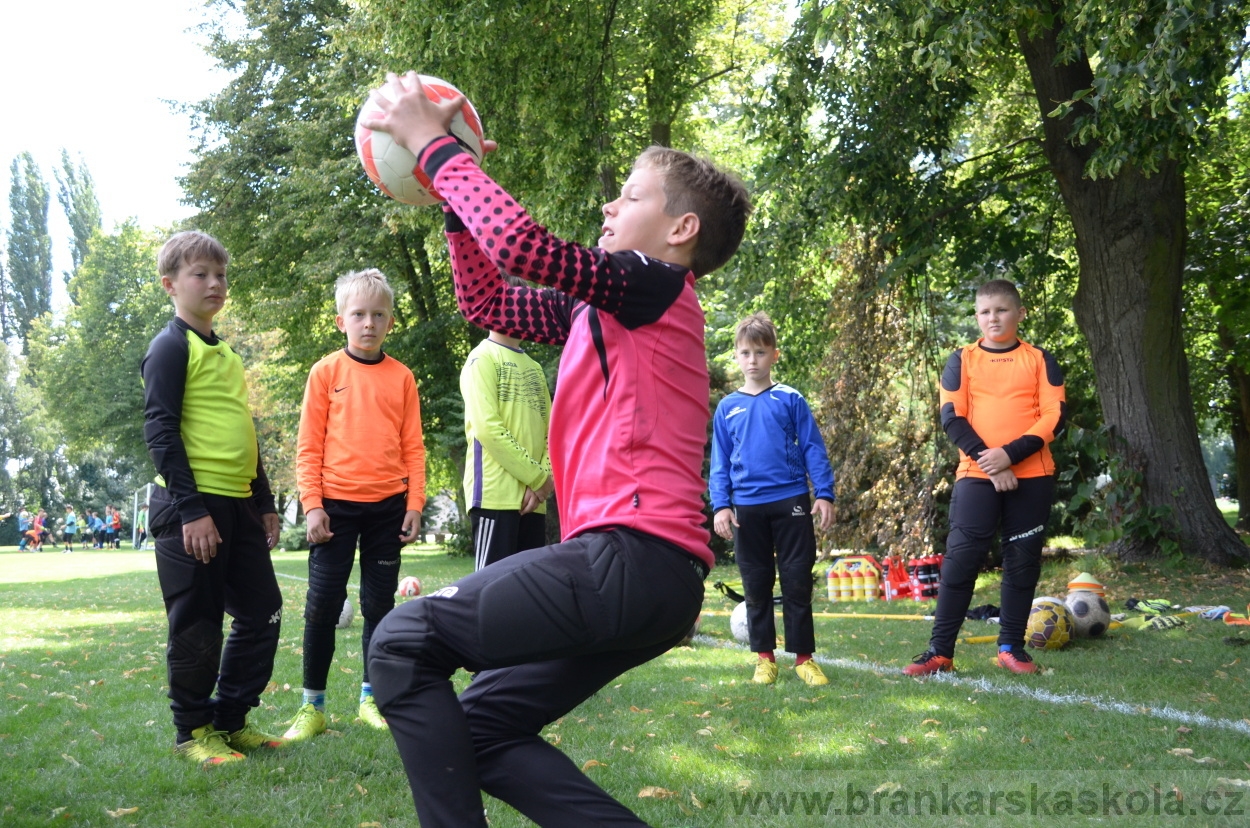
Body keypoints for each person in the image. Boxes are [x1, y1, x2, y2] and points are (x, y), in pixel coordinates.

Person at [361, 71, 751, 828]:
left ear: (680, 230)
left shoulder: (655, 287)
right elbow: (487, 300)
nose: (610, 206)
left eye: (630, 196)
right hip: (648, 577)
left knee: (402, 641)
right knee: (481, 729)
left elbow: (520, 245)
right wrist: (452, 202)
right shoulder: (599, 311)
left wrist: (436, 147)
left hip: (630, 561)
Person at [141, 229, 286, 765]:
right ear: (170, 285)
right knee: (198, 624)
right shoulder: (169, 347)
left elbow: (243, 432)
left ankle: (231, 721)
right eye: (199, 274)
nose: (214, 283)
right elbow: (160, 432)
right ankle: (193, 732)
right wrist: (192, 510)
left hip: (238, 506)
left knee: (263, 612)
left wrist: (264, 502)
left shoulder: (225, 353)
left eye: (220, 274)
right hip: (192, 509)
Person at [282, 268, 426, 742]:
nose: (369, 323)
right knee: (322, 605)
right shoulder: (325, 372)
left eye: (379, 315)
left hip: (388, 509)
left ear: (390, 322)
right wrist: (312, 505)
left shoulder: (402, 378)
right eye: (359, 314)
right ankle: (313, 706)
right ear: (341, 320)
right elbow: (308, 446)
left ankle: (372, 698)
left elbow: (413, 447)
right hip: (334, 511)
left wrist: (414, 502)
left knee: (379, 606)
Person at [903, 279, 1066, 676]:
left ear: (1020, 313)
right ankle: (940, 652)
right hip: (976, 475)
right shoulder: (962, 360)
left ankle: (1011, 648)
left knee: (1022, 563)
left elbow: (1055, 417)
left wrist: (1009, 455)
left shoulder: (1040, 359)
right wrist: (991, 462)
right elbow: (951, 416)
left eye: (1002, 310)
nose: (993, 318)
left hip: (1033, 474)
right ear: (977, 317)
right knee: (961, 561)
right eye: (985, 312)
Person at [710, 312, 837, 686]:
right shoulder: (727, 408)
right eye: (745, 353)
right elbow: (720, 461)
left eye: (760, 352)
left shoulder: (790, 399)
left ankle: (803, 659)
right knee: (756, 582)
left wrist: (824, 493)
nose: (753, 360)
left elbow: (813, 447)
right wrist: (721, 505)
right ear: (737, 356)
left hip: (791, 500)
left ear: (774, 355)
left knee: (797, 580)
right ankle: (764, 659)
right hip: (747, 508)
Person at [460, 317, 552, 571]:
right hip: (495, 498)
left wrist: (544, 482)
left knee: (530, 588)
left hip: (535, 501)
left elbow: (551, 432)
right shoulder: (481, 359)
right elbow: (487, 429)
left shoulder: (535, 368)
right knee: (490, 587)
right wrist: (538, 479)